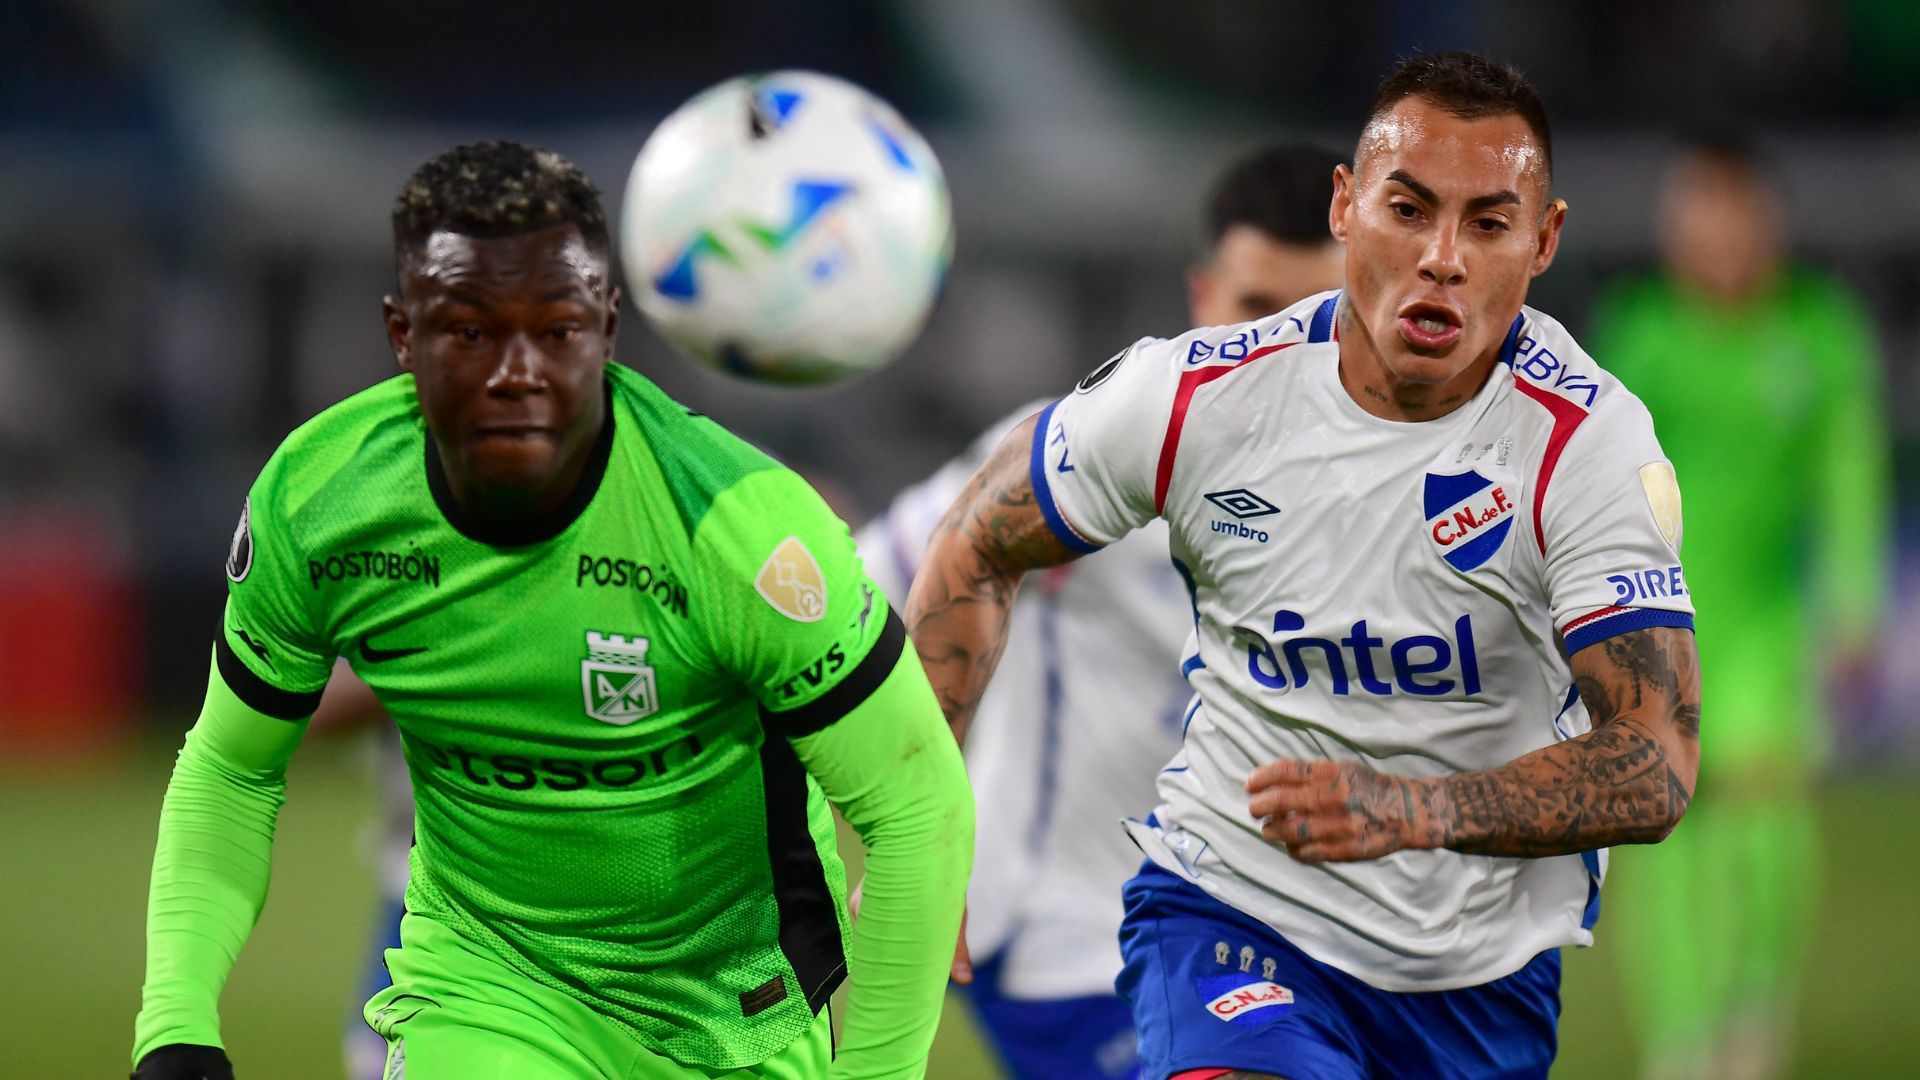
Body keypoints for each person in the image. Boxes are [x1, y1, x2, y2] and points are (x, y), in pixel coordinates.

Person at [906, 51, 1703, 1080]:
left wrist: (1416, 810)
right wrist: (919, 825)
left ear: (1544, 240)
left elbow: (1656, 759)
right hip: (1232, 908)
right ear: (1345, 208)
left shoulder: (1583, 448)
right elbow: (975, 540)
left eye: (1489, 224)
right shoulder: (1196, 397)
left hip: (1475, 985)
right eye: (1408, 209)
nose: (1443, 257)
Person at [128, 140, 972, 1080]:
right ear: (403, 334)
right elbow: (233, 769)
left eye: (557, 330)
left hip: (739, 1016)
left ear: (607, 327)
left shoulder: (739, 529)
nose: (515, 371)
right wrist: (176, 1018)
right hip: (487, 991)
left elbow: (915, 805)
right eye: (470, 331)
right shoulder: (321, 503)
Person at [856, 143, 1345, 1080]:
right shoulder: (1085, 448)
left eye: (1315, 319)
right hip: (1067, 938)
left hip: (1257, 927)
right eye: (1255, 312)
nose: (1282, 352)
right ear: (1203, 298)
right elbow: (872, 586)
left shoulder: (1382, 493)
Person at [1592, 132, 1892, 1080]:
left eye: (1732, 213)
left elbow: (1851, 472)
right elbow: (1591, 482)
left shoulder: (1817, 335)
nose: (1715, 237)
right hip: (1656, 627)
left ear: (1768, 220)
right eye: (1695, 215)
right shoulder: (1644, 337)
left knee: (1765, 824)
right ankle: (1682, 1042)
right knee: (1670, 832)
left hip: (1766, 627)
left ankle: (1752, 1012)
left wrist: (1854, 603)